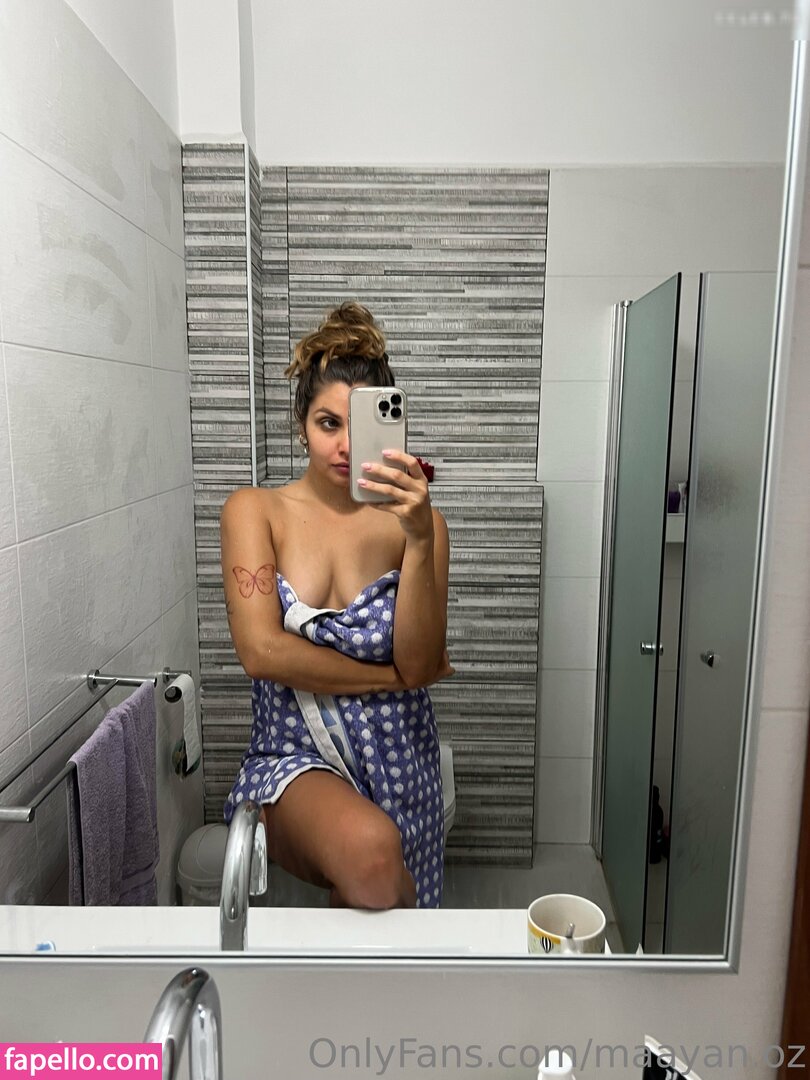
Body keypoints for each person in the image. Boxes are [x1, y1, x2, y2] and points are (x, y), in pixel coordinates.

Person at [220, 301, 454, 910]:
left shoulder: (421, 528)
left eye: (362, 425)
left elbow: (419, 664)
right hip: (295, 755)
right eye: (329, 423)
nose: (347, 446)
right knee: (371, 853)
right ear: (301, 424)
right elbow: (262, 652)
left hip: (402, 754)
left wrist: (420, 539)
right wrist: (385, 678)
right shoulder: (255, 511)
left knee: (383, 911)